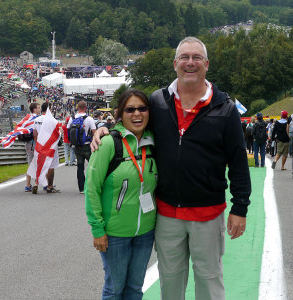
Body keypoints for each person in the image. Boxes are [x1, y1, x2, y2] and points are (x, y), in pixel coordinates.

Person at [92, 36, 251, 300]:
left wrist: (240, 207)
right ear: (175, 63)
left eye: (196, 58)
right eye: (185, 58)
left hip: (207, 214)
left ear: (206, 64)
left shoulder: (225, 108)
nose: (191, 63)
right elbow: (134, 123)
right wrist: (106, 128)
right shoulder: (158, 101)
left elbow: (237, 162)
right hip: (167, 214)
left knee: (210, 281)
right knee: (170, 282)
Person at [85, 89, 158, 299]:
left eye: (142, 108)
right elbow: (92, 189)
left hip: (145, 232)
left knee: (135, 289)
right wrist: (97, 228)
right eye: (130, 109)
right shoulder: (108, 143)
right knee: (114, 290)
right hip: (115, 234)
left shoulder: (154, 141)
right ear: (120, 113)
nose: (137, 114)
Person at [67, 100, 96, 194]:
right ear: (86, 108)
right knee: (93, 165)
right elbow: (94, 132)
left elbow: (68, 130)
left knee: (80, 167)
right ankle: (93, 185)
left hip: (76, 146)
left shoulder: (72, 118)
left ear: (77, 107)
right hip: (87, 146)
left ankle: (81, 188)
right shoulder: (89, 119)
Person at [32, 102, 61, 193]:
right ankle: (50, 186)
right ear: (50, 109)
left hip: (40, 146)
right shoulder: (53, 121)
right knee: (50, 167)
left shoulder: (36, 120)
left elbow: (34, 134)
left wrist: (37, 144)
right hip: (50, 147)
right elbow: (57, 134)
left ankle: (36, 184)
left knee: (40, 165)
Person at [24, 103, 41, 192]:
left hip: (27, 143)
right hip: (35, 143)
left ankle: (27, 185)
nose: (39, 109)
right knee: (38, 163)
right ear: (34, 109)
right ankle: (36, 183)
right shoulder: (37, 119)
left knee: (30, 163)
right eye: (38, 108)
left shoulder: (26, 118)